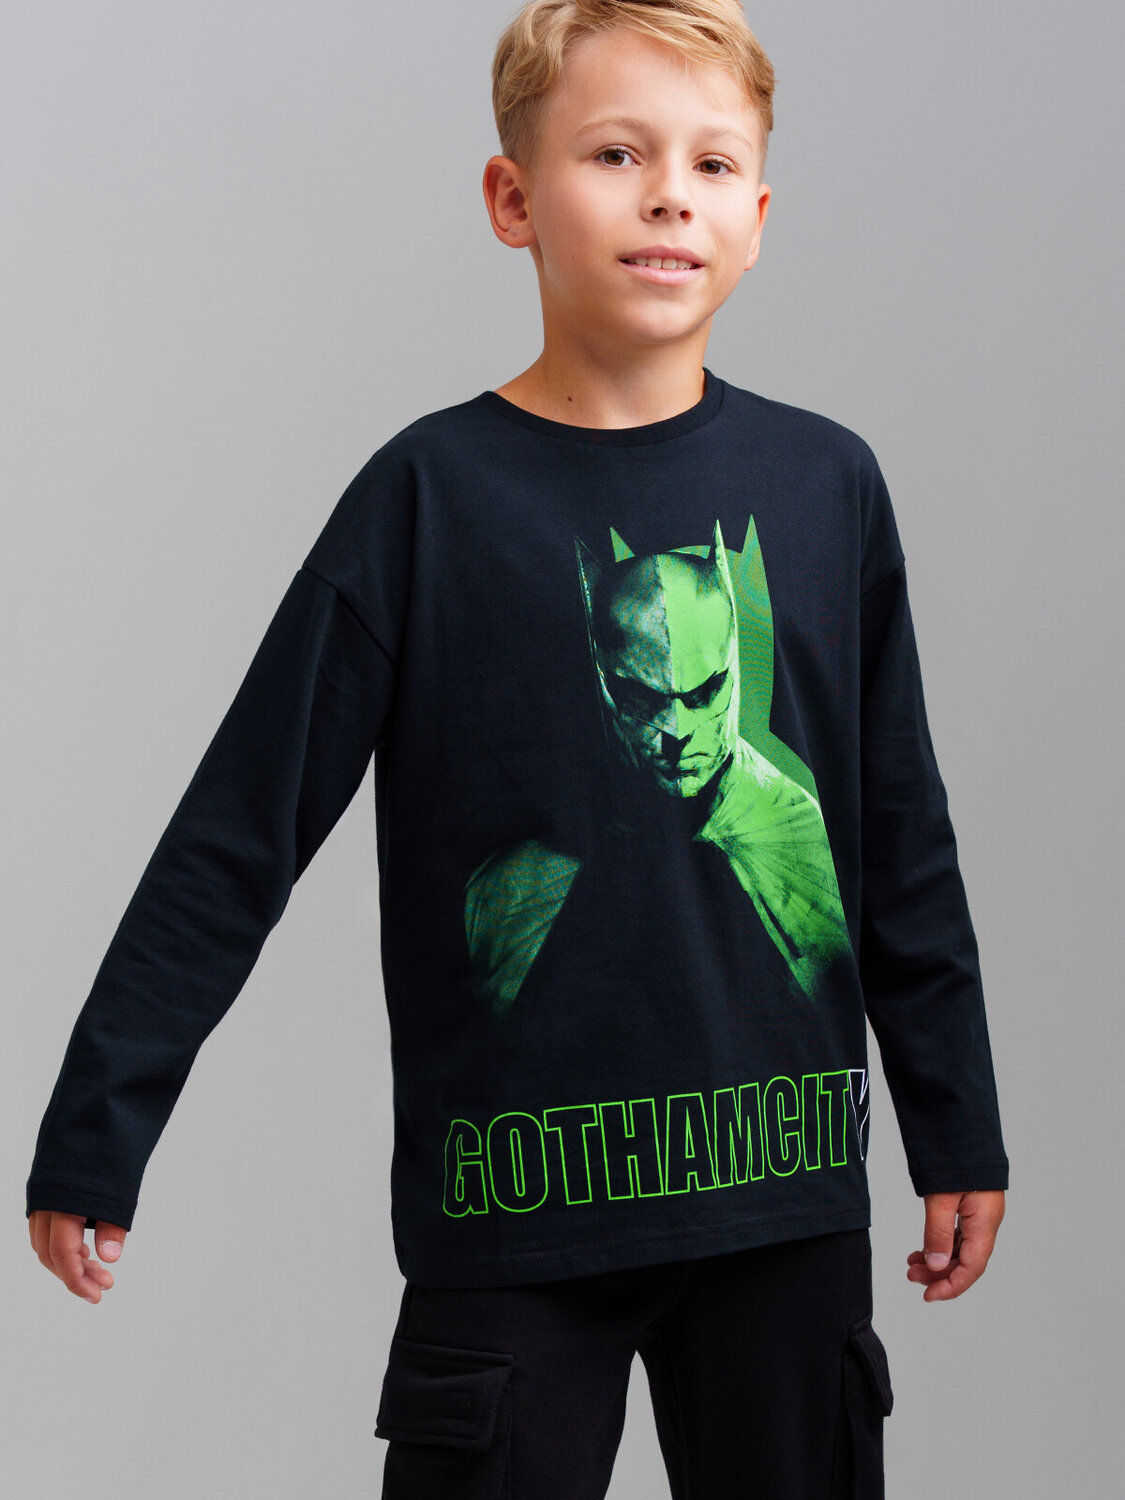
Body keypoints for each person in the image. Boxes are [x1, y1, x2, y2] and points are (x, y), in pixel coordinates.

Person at [26, 1, 1009, 1495]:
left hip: (784, 1208)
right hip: (513, 1216)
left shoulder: (827, 487)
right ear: (513, 199)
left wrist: (957, 1121)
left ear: (756, 218)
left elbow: (901, 834)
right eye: (616, 154)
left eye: (710, 163)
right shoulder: (426, 501)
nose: (668, 194)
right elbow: (236, 835)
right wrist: (100, 1127)